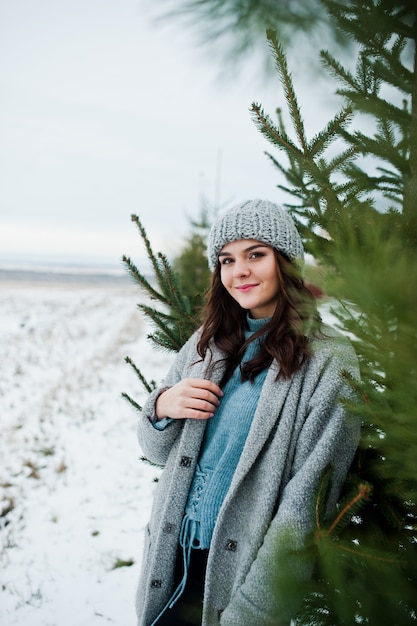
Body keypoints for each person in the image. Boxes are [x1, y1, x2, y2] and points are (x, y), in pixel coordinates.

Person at [135, 199, 360, 626]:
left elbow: (307, 502)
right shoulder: (207, 342)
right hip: (172, 553)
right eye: (226, 260)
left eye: (256, 254)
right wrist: (162, 406)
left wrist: (255, 610)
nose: (239, 271)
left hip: (239, 571)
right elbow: (156, 450)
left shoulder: (329, 359)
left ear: (286, 262)